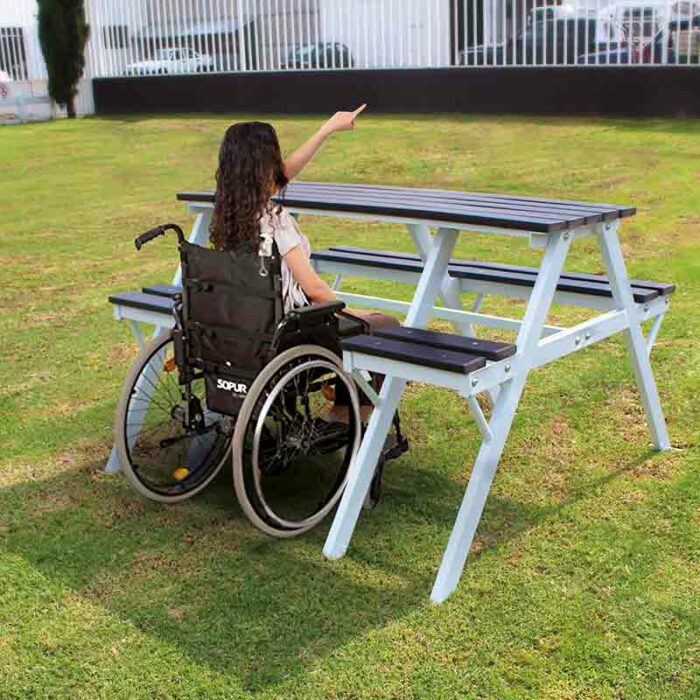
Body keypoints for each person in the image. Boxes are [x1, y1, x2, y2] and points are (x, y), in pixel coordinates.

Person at [209, 105, 400, 334]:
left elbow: (283, 175)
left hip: (249, 320)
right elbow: (314, 290)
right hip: (292, 325)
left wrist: (326, 130)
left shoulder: (229, 214)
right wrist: (352, 313)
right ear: (266, 167)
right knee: (388, 324)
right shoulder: (275, 221)